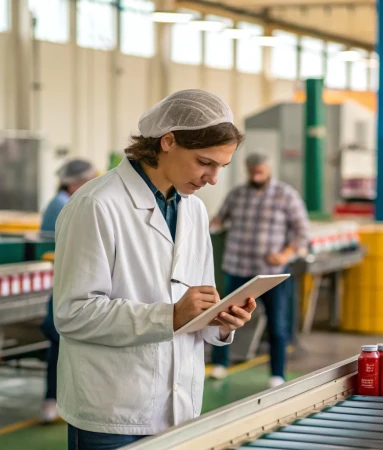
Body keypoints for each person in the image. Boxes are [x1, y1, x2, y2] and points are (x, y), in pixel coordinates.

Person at [52, 90, 256, 450]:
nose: (212, 179)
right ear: (168, 142)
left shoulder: (192, 210)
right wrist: (170, 316)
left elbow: (199, 300)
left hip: (180, 408)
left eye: (221, 167)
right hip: (112, 411)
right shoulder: (97, 205)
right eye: (204, 162)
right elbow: (73, 313)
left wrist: (220, 321)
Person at [208, 152, 310, 388]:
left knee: (277, 324)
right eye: (252, 171)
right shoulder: (237, 194)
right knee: (224, 316)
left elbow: (302, 232)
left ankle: (277, 373)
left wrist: (285, 255)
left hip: (271, 273)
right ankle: (220, 364)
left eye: (260, 171)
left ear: (268, 169)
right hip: (237, 268)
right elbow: (220, 219)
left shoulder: (286, 195)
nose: (256, 175)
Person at [39, 159, 98, 423]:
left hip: (67, 284)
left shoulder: (61, 202)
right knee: (61, 344)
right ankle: (54, 400)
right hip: (68, 285)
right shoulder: (66, 205)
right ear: (76, 182)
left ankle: (55, 400)